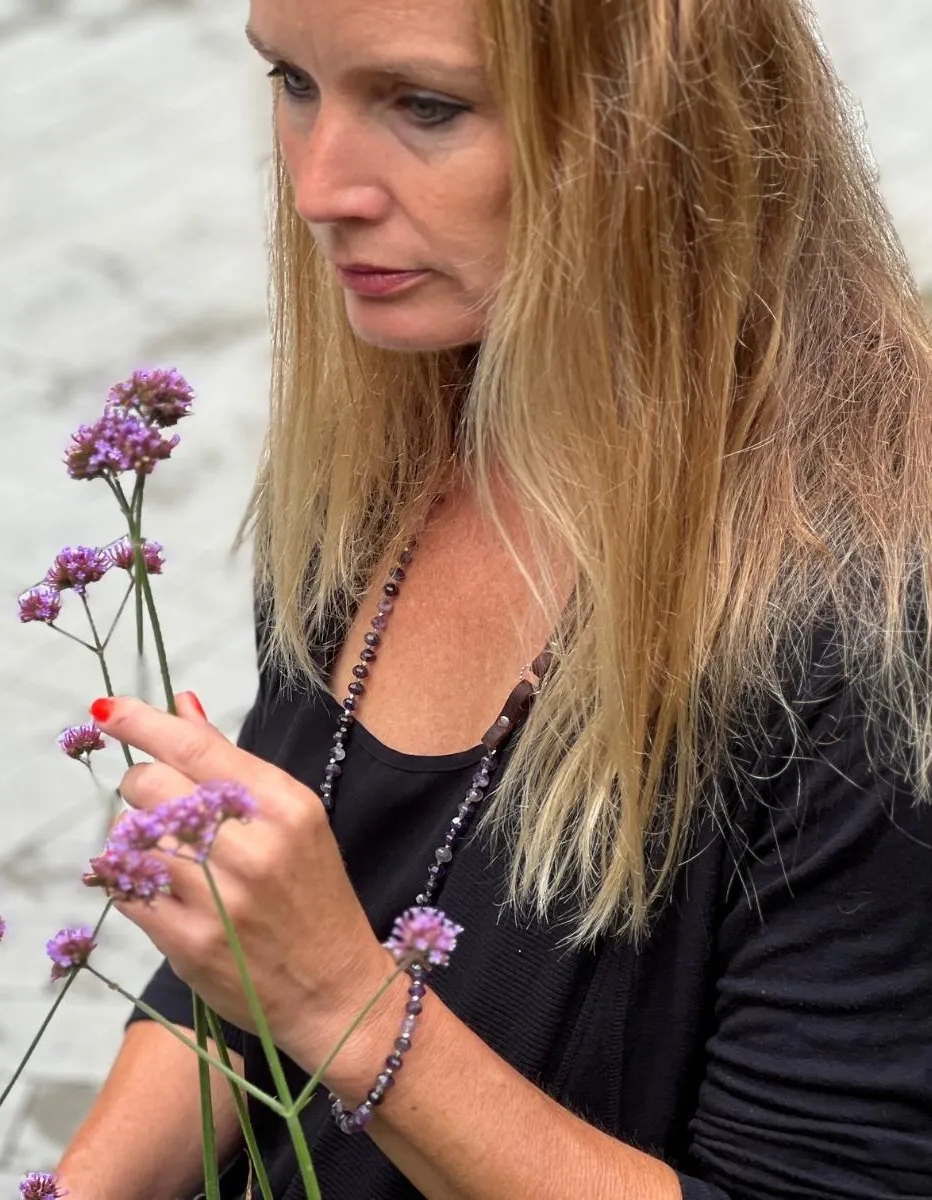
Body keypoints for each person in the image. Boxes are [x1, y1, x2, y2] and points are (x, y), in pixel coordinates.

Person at [56, 0, 932, 1196]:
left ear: (659, 120)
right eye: (294, 83)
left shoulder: (873, 612)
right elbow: (256, 954)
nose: (320, 189)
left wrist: (344, 1005)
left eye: (425, 106)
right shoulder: (399, 445)